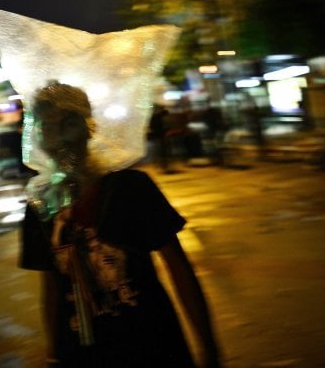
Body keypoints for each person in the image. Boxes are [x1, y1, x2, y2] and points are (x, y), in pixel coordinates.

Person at [20, 82, 222, 367]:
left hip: (154, 349)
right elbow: (51, 288)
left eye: (68, 123)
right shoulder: (41, 206)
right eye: (48, 127)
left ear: (88, 127)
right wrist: (54, 353)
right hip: (81, 356)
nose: (60, 137)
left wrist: (209, 349)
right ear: (38, 136)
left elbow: (178, 267)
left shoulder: (130, 188)